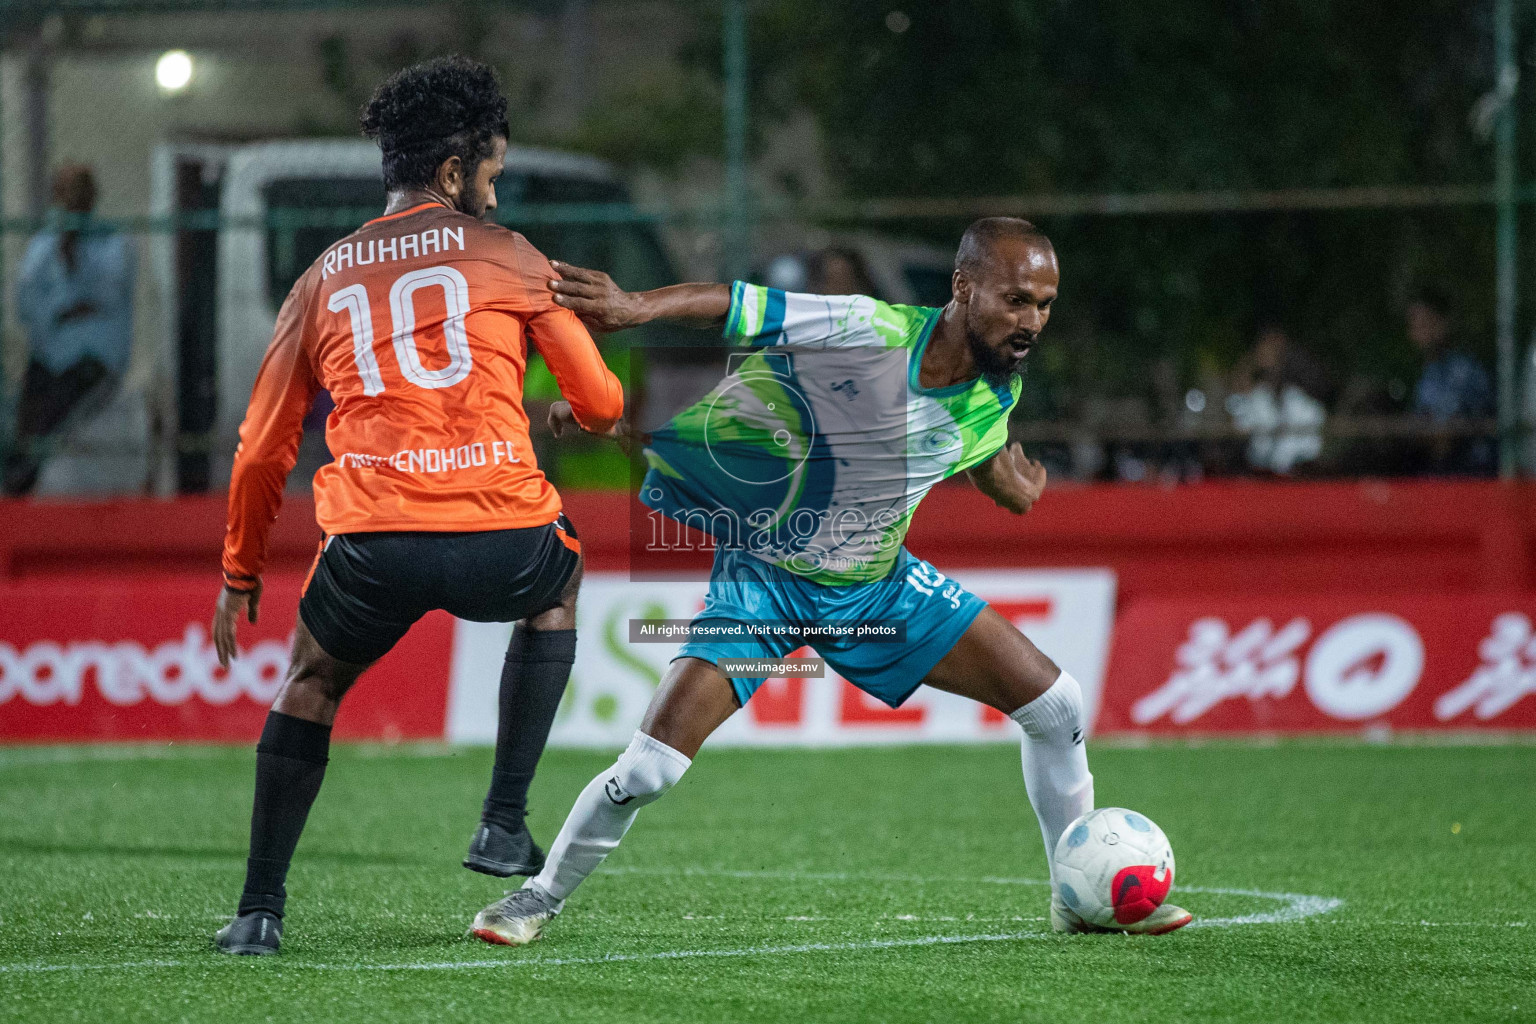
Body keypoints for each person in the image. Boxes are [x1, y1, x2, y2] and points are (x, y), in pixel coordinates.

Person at [468, 217, 1192, 946]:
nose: (1031, 321)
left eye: (1043, 303)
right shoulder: (869, 329)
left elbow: (976, 443)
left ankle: (1075, 898)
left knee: (1056, 705)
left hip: (878, 591)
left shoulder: (998, 391)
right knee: (651, 770)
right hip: (764, 588)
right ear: (963, 287)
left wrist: (1006, 484)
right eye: (1015, 300)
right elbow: (740, 303)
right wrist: (634, 309)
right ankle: (536, 898)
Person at [210, 56, 624, 956]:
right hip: (501, 538)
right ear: (451, 173)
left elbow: (261, 448)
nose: (498, 195)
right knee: (562, 580)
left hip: (372, 543)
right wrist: (553, 406)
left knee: (312, 681)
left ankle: (258, 912)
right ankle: (503, 821)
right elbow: (601, 403)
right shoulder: (513, 257)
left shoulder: (322, 275)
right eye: (493, 175)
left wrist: (241, 570)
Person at [4, 165, 136, 496]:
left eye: (79, 196)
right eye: (65, 197)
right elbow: (28, 305)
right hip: (50, 358)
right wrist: (70, 306)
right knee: (27, 410)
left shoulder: (111, 243)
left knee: (57, 406)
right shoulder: (42, 248)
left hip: (93, 358)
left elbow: (107, 294)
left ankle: (23, 479)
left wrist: (65, 304)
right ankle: (16, 485)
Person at [1405, 288, 1495, 475]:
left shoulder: (1465, 368)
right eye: (1415, 325)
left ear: (1443, 323)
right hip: (1434, 466)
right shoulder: (1426, 373)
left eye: (1426, 323)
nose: (1419, 332)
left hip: (1472, 469)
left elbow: (1449, 437)